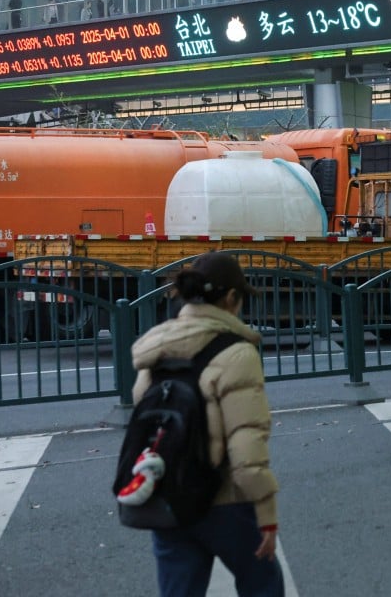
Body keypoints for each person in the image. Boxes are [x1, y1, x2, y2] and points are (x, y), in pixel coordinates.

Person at [131, 251, 282, 597]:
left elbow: (143, 415)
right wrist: (267, 516)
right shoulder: (237, 353)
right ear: (231, 298)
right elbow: (246, 448)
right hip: (225, 500)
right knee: (263, 584)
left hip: (168, 497)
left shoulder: (157, 348)